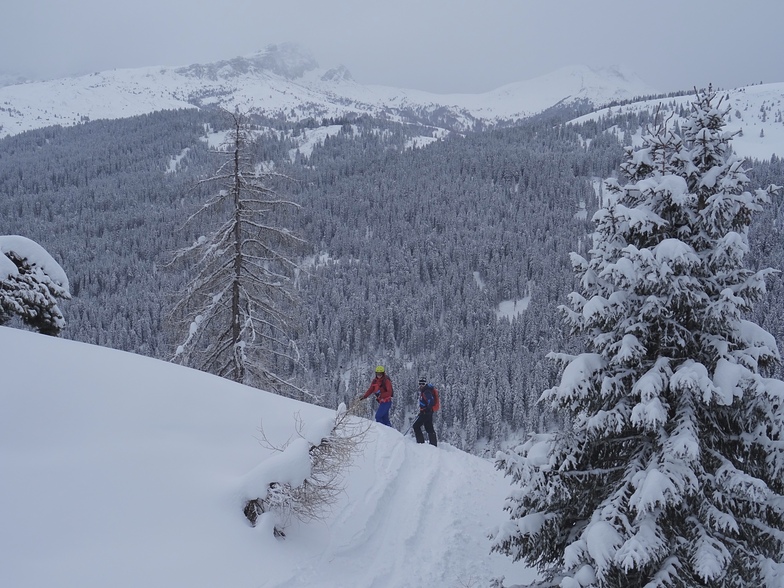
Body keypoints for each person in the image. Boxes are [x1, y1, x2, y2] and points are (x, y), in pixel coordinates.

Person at [413, 377, 437, 446]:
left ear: (425, 384)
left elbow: (431, 401)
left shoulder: (427, 391)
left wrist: (426, 410)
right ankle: (433, 444)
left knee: (416, 426)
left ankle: (420, 443)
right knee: (428, 427)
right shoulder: (424, 391)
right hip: (427, 412)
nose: (421, 385)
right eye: (420, 383)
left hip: (426, 412)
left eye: (422, 384)